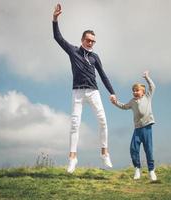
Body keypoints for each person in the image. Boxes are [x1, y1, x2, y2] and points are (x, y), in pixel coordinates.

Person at [52, 4, 116, 173]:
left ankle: (104, 153)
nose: (91, 43)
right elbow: (58, 38)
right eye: (88, 40)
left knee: (103, 120)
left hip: (93, 91)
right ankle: (72, 158)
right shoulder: (73, 51)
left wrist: (112, 93)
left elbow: (103, 75)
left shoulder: (95, 57)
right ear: (82, 40)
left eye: (93, 41)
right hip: (78, 92)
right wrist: (55, 20)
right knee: (75, 124)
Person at [111, 71, 157, 181]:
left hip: (147, 127)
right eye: (133, 91)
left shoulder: (147, 97)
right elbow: (124, 106)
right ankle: (137, 169)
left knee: (148, 150)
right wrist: (115, 102)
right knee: (133, 149)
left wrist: (147, 77)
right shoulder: (132, 102)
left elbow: (152, 86)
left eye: (137, 90)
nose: (135, 92)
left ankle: (151, 171)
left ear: (142, 91)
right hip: (137, 129)